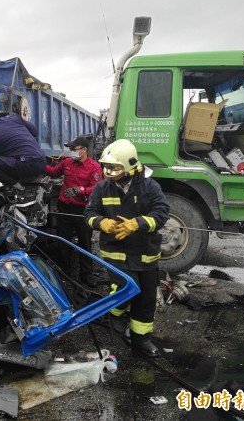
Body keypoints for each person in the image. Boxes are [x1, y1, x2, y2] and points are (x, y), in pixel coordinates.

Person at [84, 139, 169, 358]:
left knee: (146, 299)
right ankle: (115, 316)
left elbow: (161, 213)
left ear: (130, 166)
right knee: (126, 291)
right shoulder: (102, 188)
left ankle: (142, 340)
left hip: (146, 254)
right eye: (106, 166)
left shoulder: (150, 187)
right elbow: (90, 213)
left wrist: (138, 223)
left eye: (114, 167)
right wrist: (101, 222)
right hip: (116, 254)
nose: (108, 171)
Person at [44, 136, 102, 287]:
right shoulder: (67, 163)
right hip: (65, 208)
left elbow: (97, 188)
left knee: (85, 243)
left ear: (84, 150)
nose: (71, 152)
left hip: (82, 210)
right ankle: (64, 272)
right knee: (63, 241)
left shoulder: (94, 167)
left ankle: (86, 275)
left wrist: (81, 190)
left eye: (74, 149)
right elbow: (53, 172)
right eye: (70, 149)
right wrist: (37, 163)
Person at [0, 111, 45, 185]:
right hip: (42, 161)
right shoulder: (14, 118)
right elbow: (35, 132)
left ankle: (14, 185)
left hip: (27, 164)